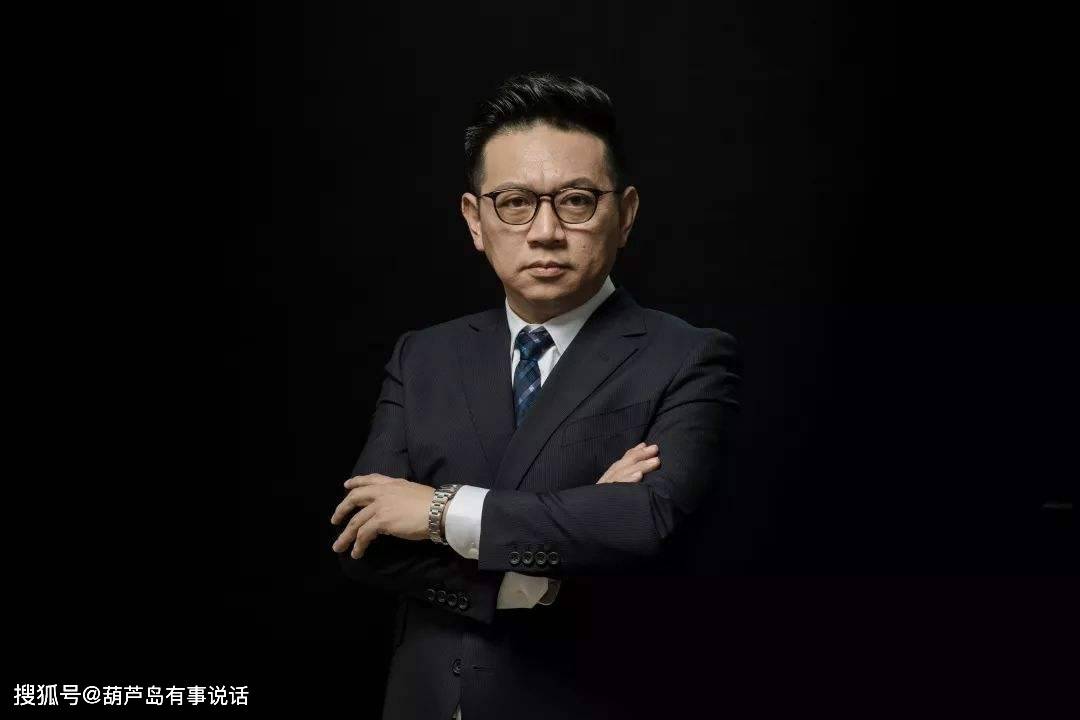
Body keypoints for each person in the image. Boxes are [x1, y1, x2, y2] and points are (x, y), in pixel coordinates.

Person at [330, 72, 742, 720]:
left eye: (576, 201)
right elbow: (366, 540)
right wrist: (547, 568)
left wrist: (438, 511)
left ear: (626, 214)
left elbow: (645, 525)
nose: (545, 230)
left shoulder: (687, 357)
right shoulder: (424, 357)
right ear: (475, 220)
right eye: (515, 202)